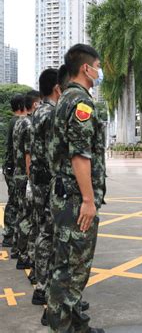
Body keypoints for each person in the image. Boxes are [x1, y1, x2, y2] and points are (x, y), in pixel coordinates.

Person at [47, 43, 106, 333]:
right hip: (73, 199)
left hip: (65, 195)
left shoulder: (66, 99)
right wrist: (88, 199)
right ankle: (62, 328)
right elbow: (80, 154)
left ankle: (76, 325)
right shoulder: (80, 102)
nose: (99, 71)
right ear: (86, 68)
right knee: (70, 271)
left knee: (73, 266)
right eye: (97, 65)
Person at [29, 69, 61, 307]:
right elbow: (54, 151)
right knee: (49, 234)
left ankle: (42, 285)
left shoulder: (38, 111)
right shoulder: (49, 113)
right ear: (56, 87)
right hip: (48, 180)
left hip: (39, 179)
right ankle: (44, 288)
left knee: (42, 230)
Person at [12, 92, 40, 270]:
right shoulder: (28, 125)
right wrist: (31, 180)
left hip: (18, 173)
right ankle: (25, 255)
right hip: (25, 176)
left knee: (22, 214)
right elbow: (29, 155)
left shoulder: (19, 122)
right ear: (34, 104)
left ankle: (19, 250)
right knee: (28, 218)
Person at [1, 95, 24, 248]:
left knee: (14, 200)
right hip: (16, 168)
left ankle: (10, 234)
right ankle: (10, 234)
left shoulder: (12, 122)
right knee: (16, 201)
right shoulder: (19, 122)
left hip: (11, 166)